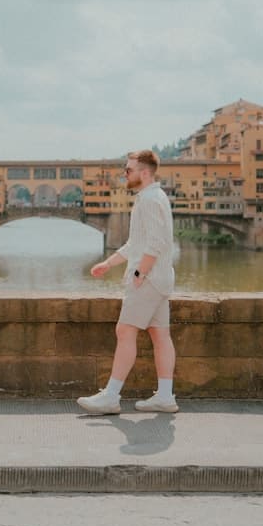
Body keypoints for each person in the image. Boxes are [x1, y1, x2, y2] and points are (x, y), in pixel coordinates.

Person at [78, 149, 177, 414]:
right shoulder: (153, 197)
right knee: (160, 335)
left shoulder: (149, 200)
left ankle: (111, 396)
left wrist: (139, 274)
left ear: (144, 173)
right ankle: (165, 396)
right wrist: (108, 264)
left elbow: (156, 243)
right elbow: (137, 243)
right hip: (160, 279)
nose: (125, 174)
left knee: (125, 331)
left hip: (148, 280)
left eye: (128, 170)